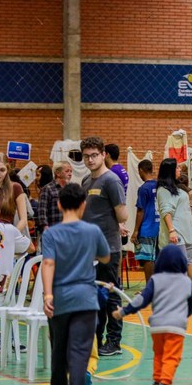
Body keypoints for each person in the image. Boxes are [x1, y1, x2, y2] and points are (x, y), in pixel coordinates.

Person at [41, 183, 111, 385]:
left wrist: (47, 295)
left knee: (59, 351)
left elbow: (48, 264)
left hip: (59, 300)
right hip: (85, 300)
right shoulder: (92, 231)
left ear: (59, 204)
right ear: (83, 205)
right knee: (80, 352)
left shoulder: (51, 234)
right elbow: (105, 256)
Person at [112, 245, 192, 385]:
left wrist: (123, 312)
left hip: (157, 327)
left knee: (159, 355)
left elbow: (142, 300)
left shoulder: (155, 280)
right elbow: (191, 305)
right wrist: (183, 316)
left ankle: (157, 384)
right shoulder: (186, 282)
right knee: (172, 357)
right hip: (176, 327)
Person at [80, 136, 128, 357]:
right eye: (86, 156)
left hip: (108, 247)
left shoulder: (111, 180)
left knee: (111, 294)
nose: (90, 160)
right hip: (89, 248)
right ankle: (96, 340)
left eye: (94, 155)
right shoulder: (86, 182)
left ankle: (114, 341)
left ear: (102, 155)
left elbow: (122, 214)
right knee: (93, 295)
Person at [0, 195, 35, 355]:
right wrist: (8, 249)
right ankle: (10, 340)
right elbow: (31, 248)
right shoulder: (9, 230)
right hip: (3, 295)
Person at [156, 158, 192, 303]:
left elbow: (184, 210)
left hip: (188, 231)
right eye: (176, 168)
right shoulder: (163, 190)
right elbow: (166, 212)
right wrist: (171, 230)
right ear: (169, 171)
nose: (179, 171)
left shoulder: (178, 189)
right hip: (176, 233)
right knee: (180, 264)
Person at [132, 159, 160, 281]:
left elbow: (140, 210)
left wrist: (135, 231)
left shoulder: (143, 188)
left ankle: (150, 287)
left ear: (141, 170)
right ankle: (157, 286)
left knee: (147, 258)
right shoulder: (159, 185)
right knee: (156, 258)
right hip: (159, 227)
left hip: (147, 228)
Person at [0, 153, 29, 236]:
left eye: (2, 170)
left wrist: (11, 236)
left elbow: (23, 220)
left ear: (7, 170)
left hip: (7, 237)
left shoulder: (16, 187)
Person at [37, 162, 73, 236]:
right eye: (67, 171)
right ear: (58, 173)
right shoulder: (47, 189)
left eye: (71, 171)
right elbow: (42, 210)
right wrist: (45, 228)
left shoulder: (71, 189)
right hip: (53, 231)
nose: (70, 174)